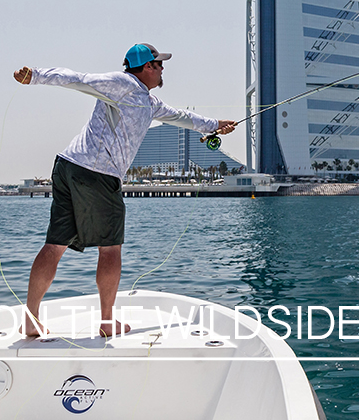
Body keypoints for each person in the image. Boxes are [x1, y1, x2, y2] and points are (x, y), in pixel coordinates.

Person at [13, 43, 236, 338]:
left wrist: (214, 125)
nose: (162, 69)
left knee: (55, 244)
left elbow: (181, 116)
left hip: (69, 166)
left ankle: (31, 319)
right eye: (159, 64)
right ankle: (107, 323)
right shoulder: (122, 83)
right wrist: (36, 75)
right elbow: (77, 79)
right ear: (146, 67)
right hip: (97, 173)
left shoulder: (148, 101)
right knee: (110, 248)